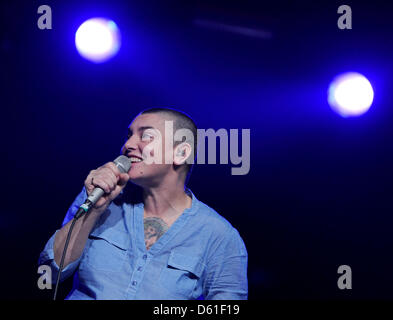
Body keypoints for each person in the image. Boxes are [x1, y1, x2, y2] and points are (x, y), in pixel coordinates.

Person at [38, 107, 248, 300]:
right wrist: (95, 210)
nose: (128, 145)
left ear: (181, 153)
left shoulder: (219, 235)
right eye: (129, 135)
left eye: (146, 136)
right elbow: (48, 276)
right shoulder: (100, 197)